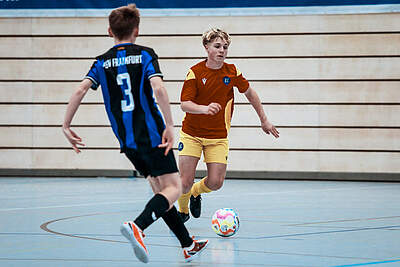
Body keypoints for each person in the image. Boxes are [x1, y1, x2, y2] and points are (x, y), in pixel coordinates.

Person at [62, 4, 208, 263]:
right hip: (151, 134)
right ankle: (138, 226)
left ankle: (187, 243)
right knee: (174, 187)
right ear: (137, 31)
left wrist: (66, 125)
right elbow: (159, 89)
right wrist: (170, 125)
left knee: (160, 191)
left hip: (127, 142)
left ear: (110, 31)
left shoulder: (101, 62)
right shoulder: (145, 55)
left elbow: (79, 91)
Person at [177, 28, 280, 222]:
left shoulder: (232, 71)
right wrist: (204, 108)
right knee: (184, 182)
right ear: (206, 47)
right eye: (217, 46)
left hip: (217, 137)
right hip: (192, 134)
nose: (222, 50)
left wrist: (263, 119)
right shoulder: (195, 72)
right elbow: (184, 104)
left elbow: (250, 92)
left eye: (225, 47)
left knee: (216, 183)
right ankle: (182, 211)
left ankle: (196, 193)